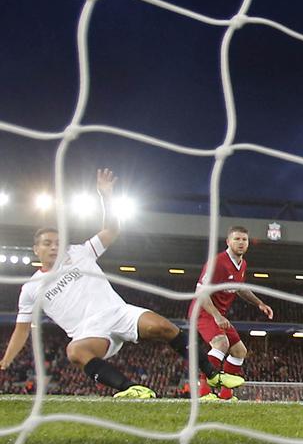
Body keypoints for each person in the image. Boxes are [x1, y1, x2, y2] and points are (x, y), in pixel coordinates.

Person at [0, 170, 244, 398]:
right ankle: (131, 389)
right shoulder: (31, 289)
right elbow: (22, 330)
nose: (53, 246)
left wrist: (106, 195)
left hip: (119, 313)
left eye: (57, 241)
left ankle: (213, 375)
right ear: (35, 249)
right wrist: (6, 360)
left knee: (166, 328)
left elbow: (112, 229)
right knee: (74, 352)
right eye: (46, 243)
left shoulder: (79, 253)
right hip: (89, 333)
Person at [192, 225, 274, 401]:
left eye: (244, 239)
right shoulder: (217, 262)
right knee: (221, 343)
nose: (241, 242)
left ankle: (226, 396)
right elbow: (201, 293)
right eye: (237, 239)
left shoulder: (242, 264)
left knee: (239, 351)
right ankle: (204, 393)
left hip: (219, 314)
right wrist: (216, 315)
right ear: (228, 241)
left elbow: (239, 289)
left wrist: (259, 303)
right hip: (203, 311)